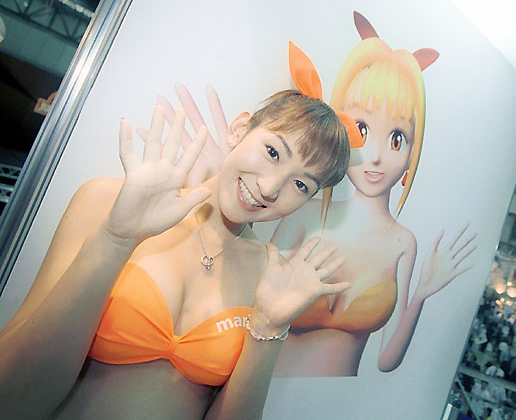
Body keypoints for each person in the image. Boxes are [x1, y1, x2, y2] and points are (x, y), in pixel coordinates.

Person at [0, 47, 356, 419]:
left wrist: (271, 327)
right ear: (240, 129)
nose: (269, 188)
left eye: (301, 185)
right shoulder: (107, 202)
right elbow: (13, 396)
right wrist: (116, 239)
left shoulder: (269, 279)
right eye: (272, 152)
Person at [270, 12, 477, 376]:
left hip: (338, 403)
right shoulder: (305, 212)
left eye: (397, 138)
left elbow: (385, 360)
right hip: (265, 390)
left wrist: (422, 293)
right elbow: (253, 303)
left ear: (412, 152)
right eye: (362, 129)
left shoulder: (403, 243)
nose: (377, 156)